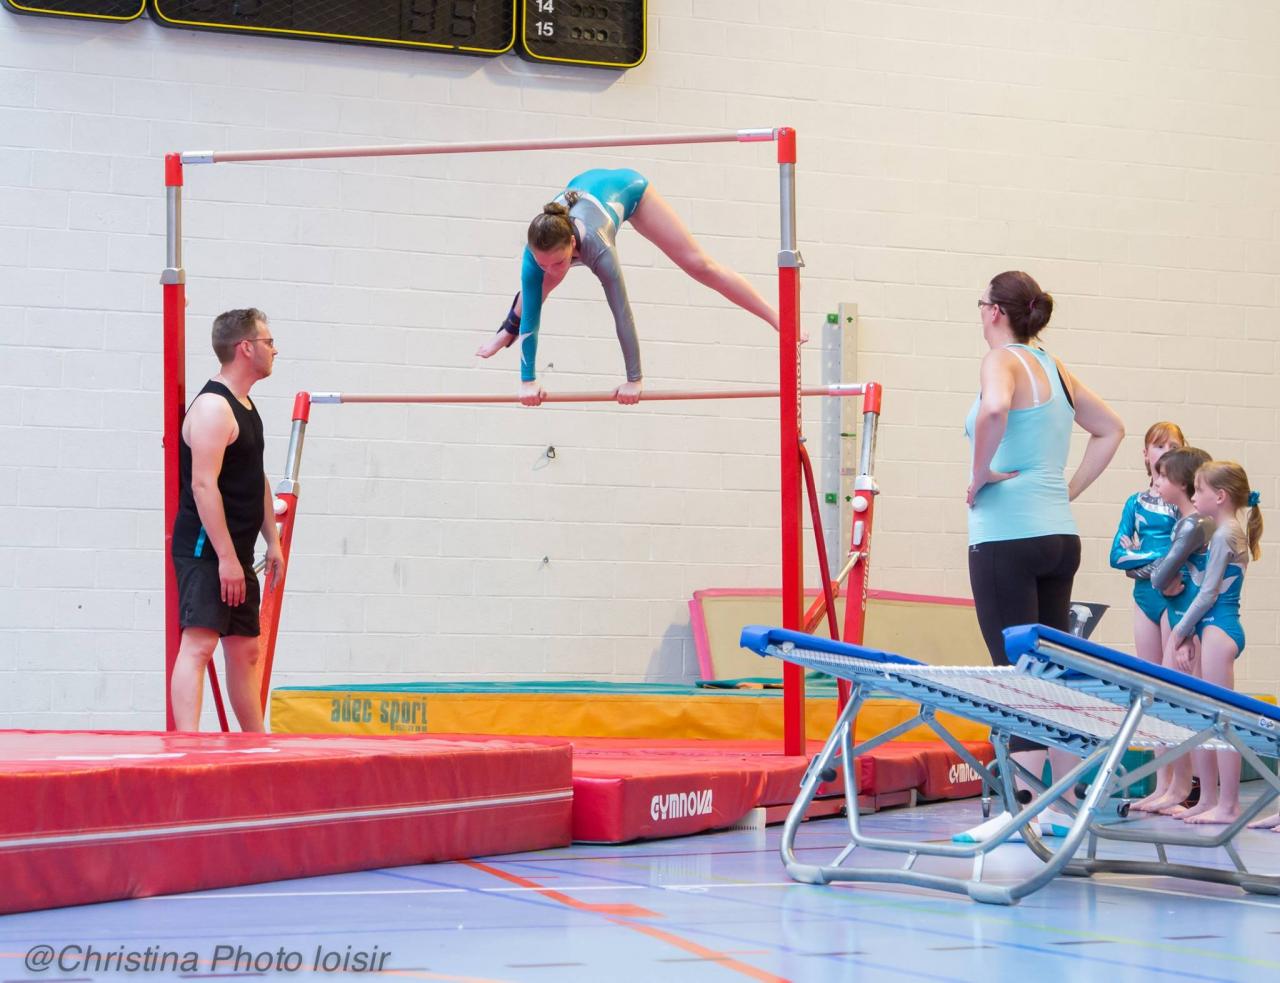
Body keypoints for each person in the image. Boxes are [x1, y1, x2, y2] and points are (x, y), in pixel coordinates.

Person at [956, 271, 1125, 842]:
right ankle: (1063, 804)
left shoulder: (1000, 361)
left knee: (1016, 676)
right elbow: (1111, 429)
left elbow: (994, 411)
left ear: (995, 312)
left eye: (981, 304)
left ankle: (1023, 808)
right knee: (1050, 674)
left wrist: (981, 474)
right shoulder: (1054, 367)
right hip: (1058, 537)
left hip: (1007, 537)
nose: (979, 313)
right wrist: (1064, 490)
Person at [475, 168, 788, 406]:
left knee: (699, 265)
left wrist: (634, 380)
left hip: (627, 189)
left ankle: (777, 319)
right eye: (542, 262)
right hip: (582, 190)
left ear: (572, 244)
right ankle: (507, 330)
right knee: (538, 286)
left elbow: (621, 312)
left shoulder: (599, 247)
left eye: (558, 261)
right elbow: (533, 309)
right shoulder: (536, 253)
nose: (550, 268)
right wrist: (527, 381)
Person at [169, 308, 284, 732]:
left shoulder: (245, 405)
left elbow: (255, 477)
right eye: (269, 342)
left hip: (235, 551)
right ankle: (186, 747)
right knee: (199, 644)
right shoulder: (213, 408)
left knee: (245, 650)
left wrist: (272, 541)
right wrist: (226, 559)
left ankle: (255, 742)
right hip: (207, 550)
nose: (275, 350)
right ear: (245, 347)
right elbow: (203, 486)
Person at [1157, 461, 1263, 826]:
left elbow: (1207, 594)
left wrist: (1178, 632)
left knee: (1222, 719)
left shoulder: (1224, 535)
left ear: (1219, 496)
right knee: (1206, 718)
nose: (1194, 496)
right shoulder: (1221, 531)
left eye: (1199, 490)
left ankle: (1229, 804)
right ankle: (1209, 799)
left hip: (1220, 629)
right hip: (1210, 628)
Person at [1124, 446, 1213, 813]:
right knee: (1166, 696)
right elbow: (1142, 567)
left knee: (1184, 699)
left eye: (1162, 476)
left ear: (1182, 483)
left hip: (1186, 616)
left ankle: (1190, 790)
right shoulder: (1185, 522)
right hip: (1179, 611)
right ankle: (1174, 786)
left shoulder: (1193, 524)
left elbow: (1161, 575)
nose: (1156, 482)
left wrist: (1142, 562)